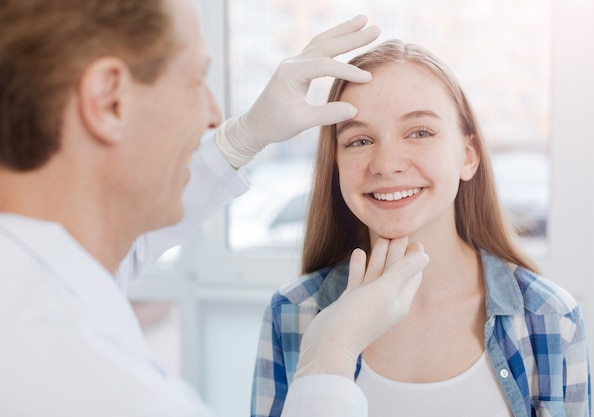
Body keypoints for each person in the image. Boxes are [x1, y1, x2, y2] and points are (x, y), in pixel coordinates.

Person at [0, 1, 432, 416]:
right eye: (194, 81)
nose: (213, 115)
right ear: (110, 100)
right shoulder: (98, 389)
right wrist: (329, 355)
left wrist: (245, 135)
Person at [251, 39, 591, 417]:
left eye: (420, 132)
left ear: (468, 156)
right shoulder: (292, 313)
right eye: (359, 140)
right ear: (335, 165)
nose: (386, 164)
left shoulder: (550, 318)